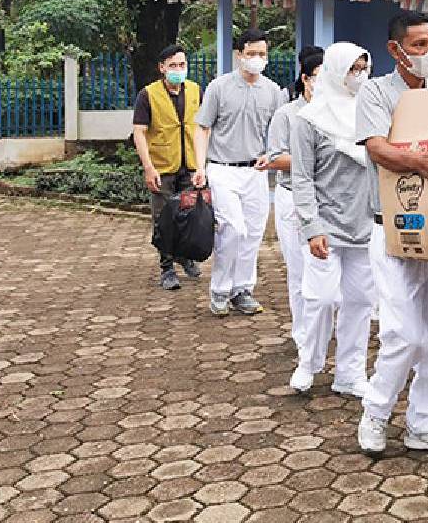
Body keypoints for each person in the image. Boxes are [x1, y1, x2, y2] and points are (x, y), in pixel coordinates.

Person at [354, 10, 428, 458]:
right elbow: (377, 146)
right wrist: (420, 160)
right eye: (418, 45)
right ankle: (376, 412)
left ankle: (426, 423)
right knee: (404, 334)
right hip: (393, 233)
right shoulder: (376, 93)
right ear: (395, 49)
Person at [290, 43, 378, 397]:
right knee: (321, 299)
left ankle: (351, 373)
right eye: (352, 69)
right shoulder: (309, 120)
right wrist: (312, 227)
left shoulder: (371, 115)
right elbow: (301, 177)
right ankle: (308, 362)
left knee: (359, 303)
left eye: (363, 68)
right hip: (325, 225)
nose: (358, 76)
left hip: (366, 224)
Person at [193, 29, 283, 317]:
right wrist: (199, 167)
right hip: (222, 169)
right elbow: (202, 128)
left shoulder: (272, 91)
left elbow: (280, 133)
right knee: (233, 229)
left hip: (255, 171)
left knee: (253, 233)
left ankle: (242, 289)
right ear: (240, 55)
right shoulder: (219, 87)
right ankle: (219, 290)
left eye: (262, 54)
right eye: (252, 53)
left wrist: (271, 155)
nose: (257, 59)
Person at [266, 52, 326, 350]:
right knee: (299, 270)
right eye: (319, 77)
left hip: (328, 201)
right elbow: (275, 157)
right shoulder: (287, 114)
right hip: (293, 197)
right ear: (305, 79)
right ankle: (303, 335)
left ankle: (323, 330)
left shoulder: (335, 113)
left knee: (327, 270)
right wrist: (313, 162)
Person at [133, 44, 203, 291]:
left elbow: (203, 128)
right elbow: (139, 133)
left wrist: (202, 164)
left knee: (188, 216)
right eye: (172, 65)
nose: (178, 69)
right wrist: (148, 167)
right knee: (164, 219)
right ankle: (166, 267)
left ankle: (185, 256)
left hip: (190, 165)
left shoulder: (195, 91)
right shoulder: (148, 95)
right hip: (162, 167)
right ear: (162, 68)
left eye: (182, 65)